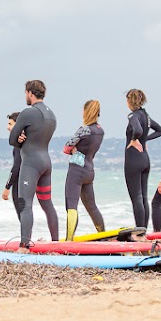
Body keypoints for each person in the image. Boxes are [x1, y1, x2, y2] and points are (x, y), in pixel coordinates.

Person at [9, 80, 59, 250]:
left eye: (25, 93)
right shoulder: (52, 114)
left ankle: (24, 246)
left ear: (30, 92)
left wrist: (20, 139)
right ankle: (56, 244)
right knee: (47, 204)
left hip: (31, 163)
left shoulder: (28, 112)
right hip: (46, 163)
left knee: (25, 204)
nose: (25, 96)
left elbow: (12, 139)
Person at [63, 100, 105, 240]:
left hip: (77, 170)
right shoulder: (100, 131)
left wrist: (72, 150)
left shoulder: (84, 129)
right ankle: (103, 235)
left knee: (71, 205)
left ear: (86, 112)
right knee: (92, 207)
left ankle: (69, 240)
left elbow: (67, 147)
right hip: (89, 169)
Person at [124, 89, 161, 229]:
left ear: (129, 100)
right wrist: (144, 140)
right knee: (143, 197)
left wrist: (135, 140)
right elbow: (160, 131)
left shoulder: (132, 115)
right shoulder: (146, 116)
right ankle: (144, 231)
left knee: (136, 198)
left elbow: (138, 130)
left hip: (133, 159)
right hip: (145, 159)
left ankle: (139, 232)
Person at [2, 112, 22, 219]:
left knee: (22, 213)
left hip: (20, 184)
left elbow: (16, 167)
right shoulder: (27, 140)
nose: (7, 127)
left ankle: (26, 236)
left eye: (10, 124)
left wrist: (7, 187)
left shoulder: (19, 144)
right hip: (29, 182)